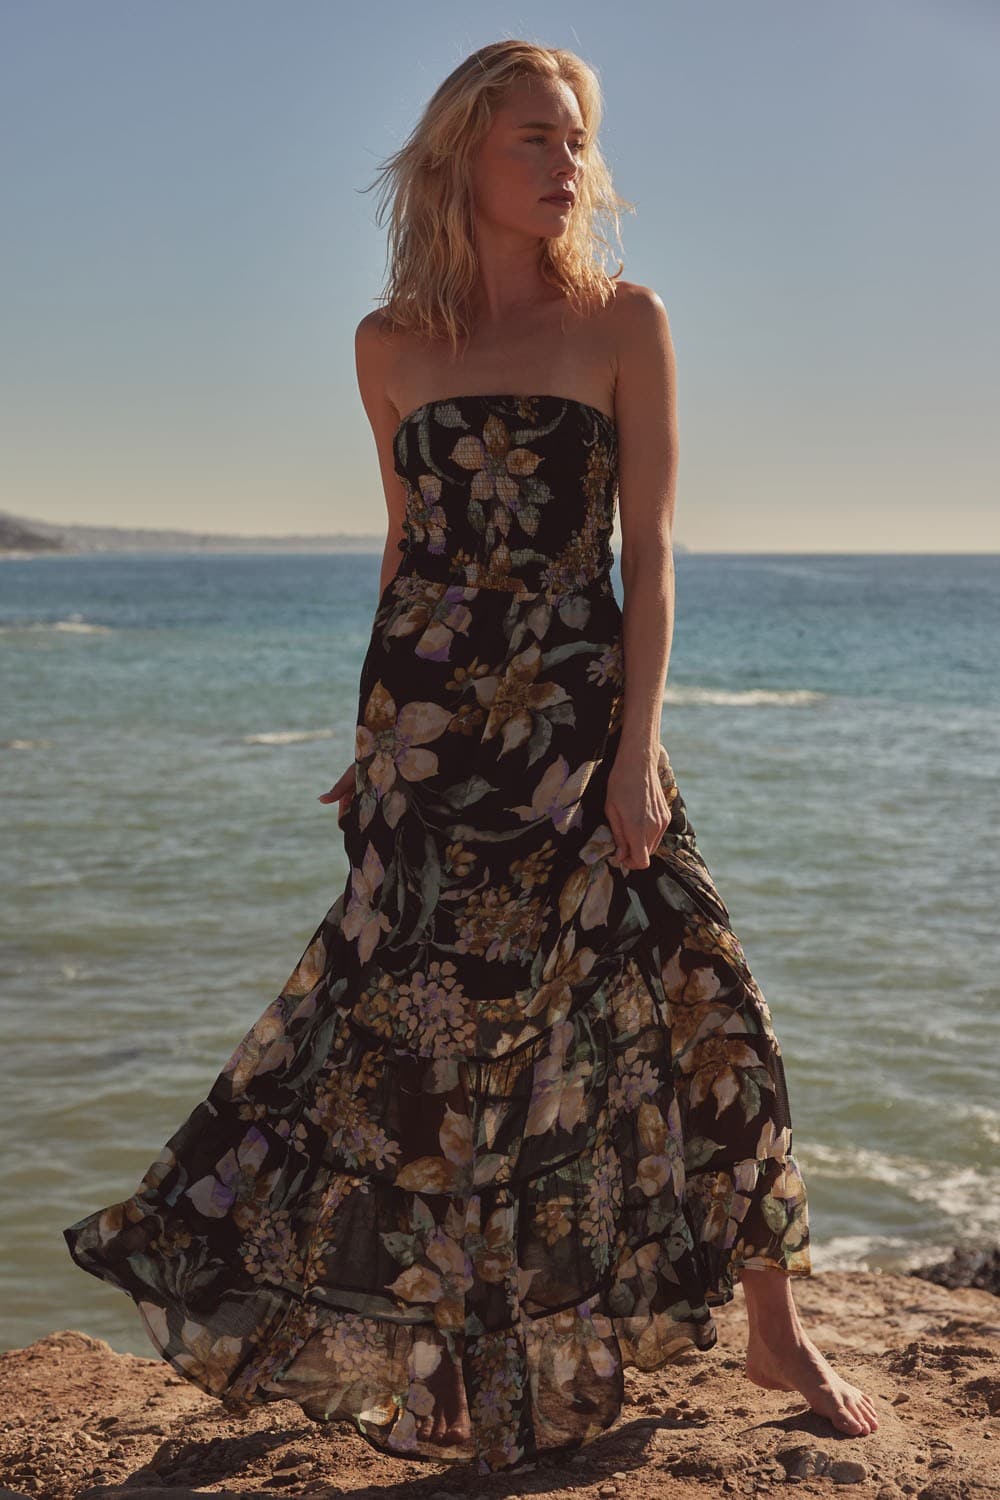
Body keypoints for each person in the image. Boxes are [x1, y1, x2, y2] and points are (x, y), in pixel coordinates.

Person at [64, 39, 878, 1475]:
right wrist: (364, 740)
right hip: (424, 739)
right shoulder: (388, 345)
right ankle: (439, 1363)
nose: (566, 166)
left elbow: (652, 552)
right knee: (432, 1066)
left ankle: (773, 1325)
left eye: (575, 141)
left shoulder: (623, 321)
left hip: (575, 730)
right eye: (534, 140)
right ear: (460, 158)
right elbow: (408, 552)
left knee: (707, 1000)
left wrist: (641, 749)